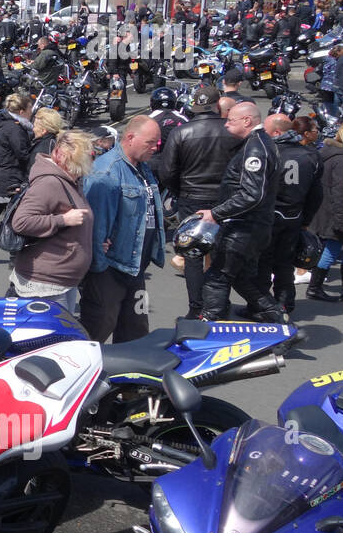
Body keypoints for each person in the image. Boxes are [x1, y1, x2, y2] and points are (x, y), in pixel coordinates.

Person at [194, 101, 283, 323]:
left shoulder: (256, 147)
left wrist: (215, 213)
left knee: (217, 277)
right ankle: (278, 321)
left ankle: (209, 326)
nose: (225, 125)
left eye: (230, 120)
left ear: (247, 120)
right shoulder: (260, 144)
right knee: (243, 278)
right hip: (254, 225)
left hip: (244, 226)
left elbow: (252, 194)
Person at [154, 84, 238, 316]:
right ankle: (219, 304)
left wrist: (180, 191)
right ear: (217, 104)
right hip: (224, 199)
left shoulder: (181, 132)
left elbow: (167, 171)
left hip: (191, 196)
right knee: (221, 252)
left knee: (192, 255)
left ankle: (197, 307)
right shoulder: (231, 130)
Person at [80, 116, 165, 342]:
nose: (156, 147)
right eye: (151, 142)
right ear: (130, 138)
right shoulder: (106, 173)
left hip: (134, 267)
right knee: (98, 327)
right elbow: (96, 228)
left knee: (136, 330)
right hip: (109, 270)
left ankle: (129, 377)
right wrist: (98, 270)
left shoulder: (142, 168)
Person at [8, 130, 95, 312]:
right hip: (46, 284)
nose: (90, 162)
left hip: (60, 281)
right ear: (65, 157)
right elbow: (21, 222)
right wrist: (63, 219)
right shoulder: (50, 183)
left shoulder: (69, 179)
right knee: (51, 338)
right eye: (85, 158)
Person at [254, 114, 322, 314]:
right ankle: (284, 304)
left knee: (263, 263)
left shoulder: (268, 152)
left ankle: (261, 305)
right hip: (293, 216)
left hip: (268, 216)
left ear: (276, 132)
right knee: (285, 263)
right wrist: (306, 219)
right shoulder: (310, 155)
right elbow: (316, 194)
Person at [307, 125, 343, 301]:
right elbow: (340, 192)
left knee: (328, 250)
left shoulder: (327, 152)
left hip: (323, 210)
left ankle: (315, 286)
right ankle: (315, 288)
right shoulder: (341, 160)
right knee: (331, 250)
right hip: (335, 212)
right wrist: (340, 219)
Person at [0, 92, 35, 212]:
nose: (32, 112)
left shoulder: (8, 123)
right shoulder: (15, 129)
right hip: (9, 179)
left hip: (2, 175)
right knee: (9, 215)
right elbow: (23, 154)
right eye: (30, 108)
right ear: (21, 112)